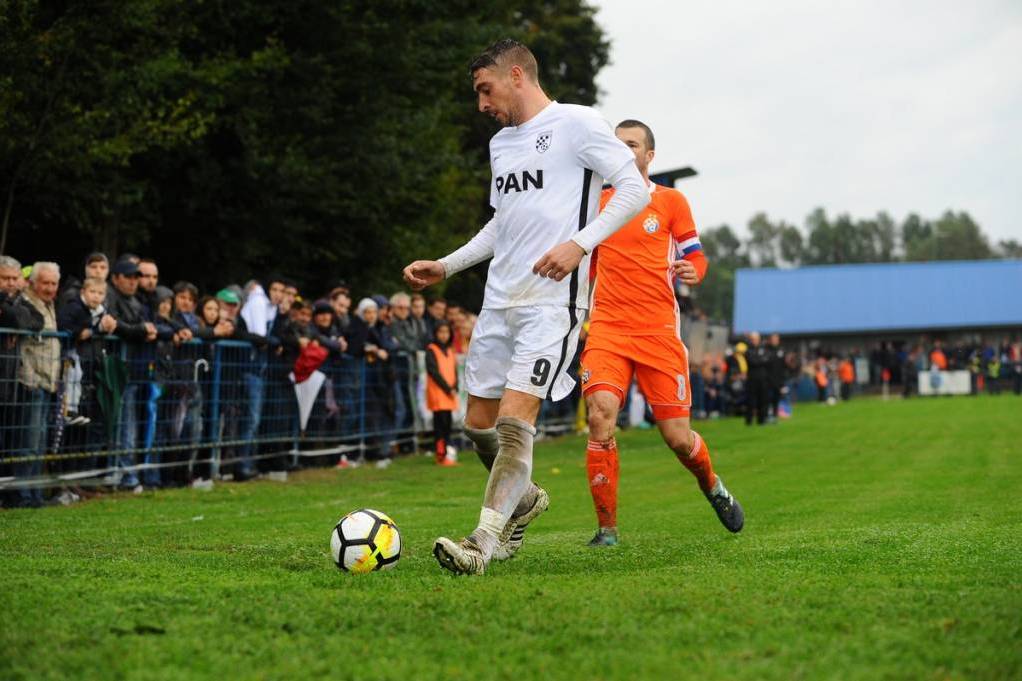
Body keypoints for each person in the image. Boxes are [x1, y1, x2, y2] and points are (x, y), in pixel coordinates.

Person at [402, 38, 648, 574]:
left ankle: (482, 544)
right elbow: (502, 223)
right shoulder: (502, 145)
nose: (481, 104)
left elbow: (635, 190)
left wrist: (579, 244)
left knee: (515, 422)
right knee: (477, 425)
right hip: (499, 301)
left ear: (516, 75)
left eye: (485, 90)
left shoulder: (578, 123)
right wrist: (446, 265)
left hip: (551, 303)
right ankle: (526, 497)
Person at [576, 119, 743, 547]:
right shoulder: (596, 203)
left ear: (649, 155)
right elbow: (585, 263)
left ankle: (712, 485)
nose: (623, 150)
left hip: (658, 333)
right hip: (608, 329)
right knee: (600, 415)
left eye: (632, 144)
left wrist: (695, 271)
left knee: (678, 438)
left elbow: (696, 255)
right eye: (617, 144)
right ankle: (607, 530)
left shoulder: (671, 201)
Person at [425, 321, 459, 466]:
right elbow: (433, 372)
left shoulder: (450, 350)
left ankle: (447, 454)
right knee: (440, 425)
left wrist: (455, 386)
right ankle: (440, 454)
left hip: (449, 394)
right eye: (441, 332)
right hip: (438, 393)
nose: (444, 335)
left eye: (446, 332)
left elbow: (454, 371)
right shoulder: (431, 349)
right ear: (435, 333)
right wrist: (447, 388)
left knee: (448, 425)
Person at [744, 332, 770, 425]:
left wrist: (759, 360)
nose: (754, 341)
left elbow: (767, 359)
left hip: (762, 378)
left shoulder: (763, 349)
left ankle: (761, 420)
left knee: (762, 399)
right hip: (752, 378)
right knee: (751, 400)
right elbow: (752, 362)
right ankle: (749, 420)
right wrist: (761, 360)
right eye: (753, 339)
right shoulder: (748, 350)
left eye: (756, 339)